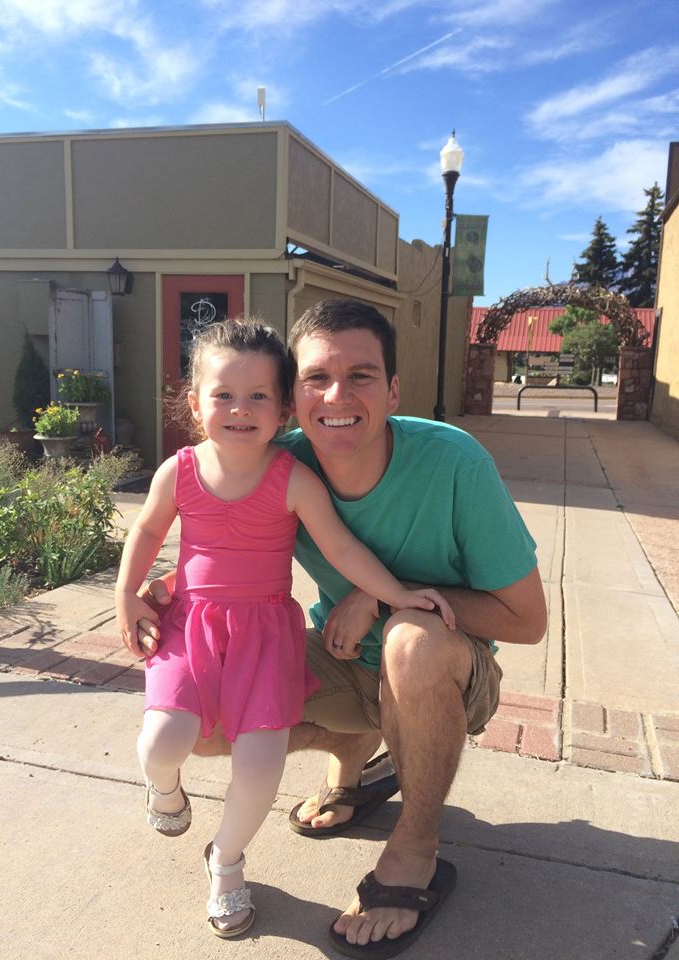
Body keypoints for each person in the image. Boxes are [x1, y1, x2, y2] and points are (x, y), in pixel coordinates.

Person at [136, 300, 547, 958]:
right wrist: (163, 588)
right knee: (204, 722)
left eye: (361, 376)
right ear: (292, 399)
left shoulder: (454, 463)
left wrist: (378, 599)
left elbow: (528, 620)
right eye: (316, 378)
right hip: (343, 656)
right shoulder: (274, 458)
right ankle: (354, 758)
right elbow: (217, 529)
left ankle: (414, 849)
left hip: (444, 668)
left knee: (409, 643)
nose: (336, 397)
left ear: (393, 391)